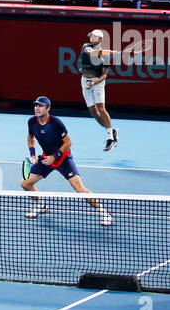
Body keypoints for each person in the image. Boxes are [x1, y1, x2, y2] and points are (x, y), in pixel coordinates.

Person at [21, 96, 112, 225]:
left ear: (48, 108)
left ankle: (105, 213)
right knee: (25, 184)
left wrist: (55, 156)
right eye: (36, 105)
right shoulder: (31, 122)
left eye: (40, 106)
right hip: (46, 158)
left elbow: (68, 143)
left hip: (63, 158)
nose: (37, 108)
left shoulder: (56, 123)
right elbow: (30, 136)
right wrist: (33, 154)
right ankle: (41, 205)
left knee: (80, 189)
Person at [79, 29, 118, 150]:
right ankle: (111, 129)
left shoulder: (106, 57)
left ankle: (110, 138)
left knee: (101, 108)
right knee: (93, 112)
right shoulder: (86, 46)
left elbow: (104, 75)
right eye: (90, 36)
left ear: (100, 39)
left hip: (98, 83)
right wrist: (111, 51)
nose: (91, 38)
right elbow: (92, 53)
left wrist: (94, 82)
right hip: (85, 81)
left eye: (94, 36)